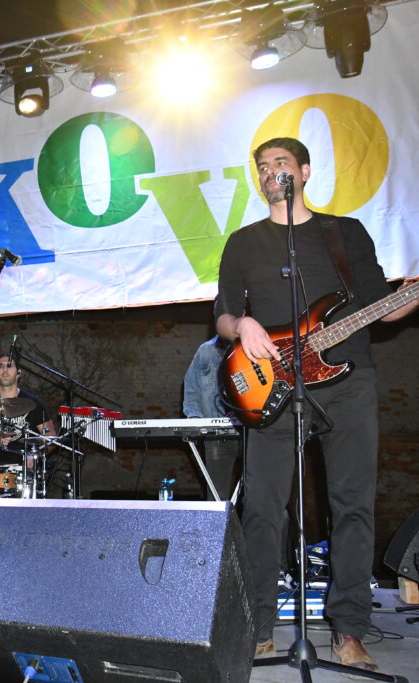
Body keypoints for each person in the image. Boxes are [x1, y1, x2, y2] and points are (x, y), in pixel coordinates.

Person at [215, 137, 418, 669]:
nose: (271, 172)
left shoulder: (344, 232)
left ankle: (348, 630)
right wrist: (243, 324)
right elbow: (223, 314)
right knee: (262, 509)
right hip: (273, 386)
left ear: (304, 171)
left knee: (353, 505)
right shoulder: (243, 242)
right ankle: (259, 626)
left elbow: (381, 306)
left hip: (349, 381)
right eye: (263, 167)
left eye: (280, 163)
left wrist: (410, 296)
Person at [182, 335, 241, 499]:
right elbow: (191, 387)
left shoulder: (251, 346)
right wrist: (194, 416)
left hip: (250, 432)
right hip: (216, 435)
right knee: (216, 495)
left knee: (256, 491)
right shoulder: (205, 351)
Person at [0, 351, 56, 471]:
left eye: (9, 366)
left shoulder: (33, 403)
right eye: (0, 366)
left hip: (23, 473)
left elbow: (51, 440)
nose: (5, 370)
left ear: (18, 373)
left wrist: (35, 456)